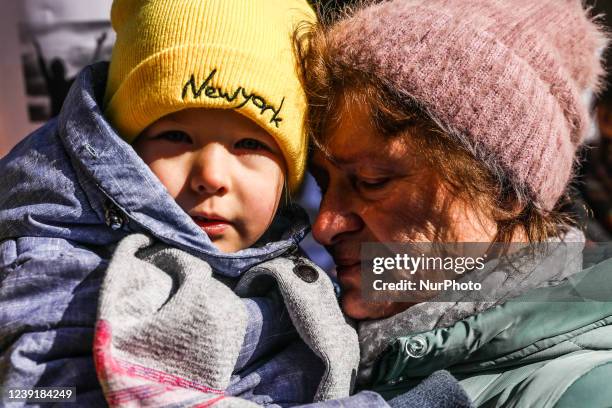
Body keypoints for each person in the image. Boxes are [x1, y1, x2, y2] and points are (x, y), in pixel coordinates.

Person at [1, 0, 472, 407]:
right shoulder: (60, 257)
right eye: (176, 135)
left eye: (250, 144)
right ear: (121, 144)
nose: (210, 175)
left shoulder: (303, 268)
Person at [300, 0, 612, 406]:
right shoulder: (315, 355)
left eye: (372, 182)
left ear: (503, 191)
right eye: (323, 184)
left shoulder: (582, 393)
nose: (325, 225)